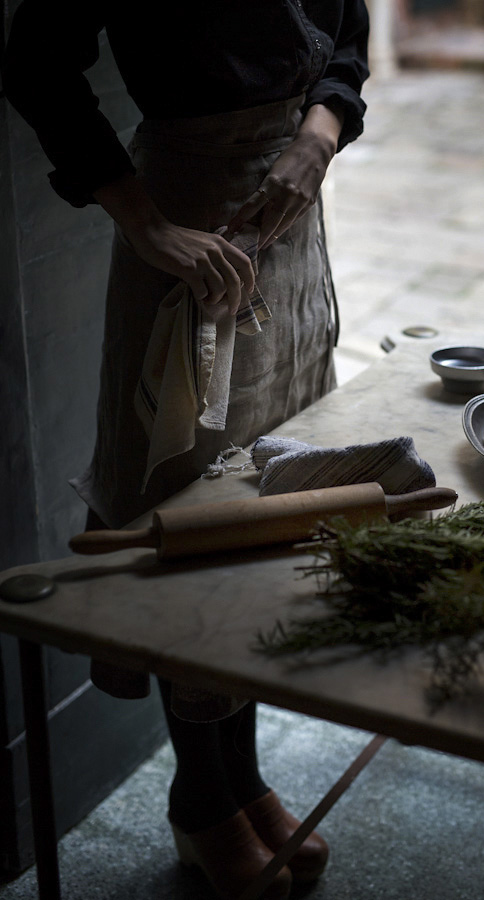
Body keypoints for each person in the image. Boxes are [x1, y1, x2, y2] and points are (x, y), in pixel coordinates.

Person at [3, 3, 370, 898]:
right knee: (185, 512)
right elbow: (37, 64)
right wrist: (142, 220)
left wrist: (319, 134)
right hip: (193, 231)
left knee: (259, 511)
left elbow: (350, 28)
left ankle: (241, 782)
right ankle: (202, 795)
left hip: (291, 216)